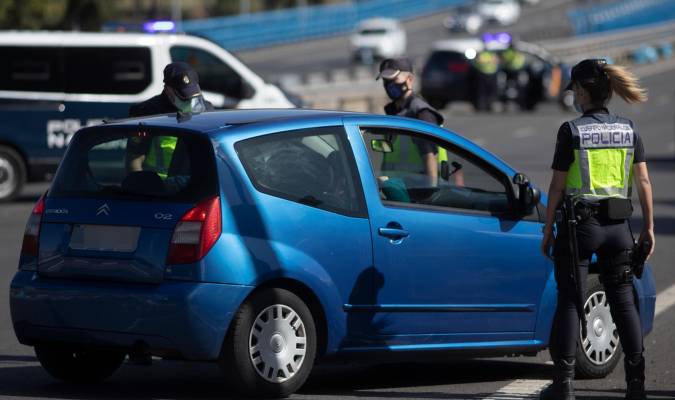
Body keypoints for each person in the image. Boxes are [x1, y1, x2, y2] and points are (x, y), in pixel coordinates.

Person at [540, 59, 653, 400]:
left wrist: (547, 231)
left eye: (574, 88)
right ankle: (636, 385)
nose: (572, 94)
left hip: (581, 228)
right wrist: (647, 228)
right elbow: (644, 180)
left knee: (571, 302)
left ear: (585, 91)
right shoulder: (628, 128)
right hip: (619, 227)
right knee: (623, 302)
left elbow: (557, 187)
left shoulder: (571, 130)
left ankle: (564, 385)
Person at [127, 62, 213, 175]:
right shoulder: (147, 113)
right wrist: (140, 187)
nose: (189, 102)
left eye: (192, 95)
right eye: (184, 97)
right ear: (168, 90)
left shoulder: (207, 110)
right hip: (160, 186)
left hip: (195, 184)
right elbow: (134, 160)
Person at [376, 57, 447, 187]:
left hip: (419, 192)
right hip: (398, 191)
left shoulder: (421, 113)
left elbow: (430, 156)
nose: (389, 85)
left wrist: (430, 191)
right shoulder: (393, 112)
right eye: (385, 81)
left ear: (410, 80)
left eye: (393, 80)